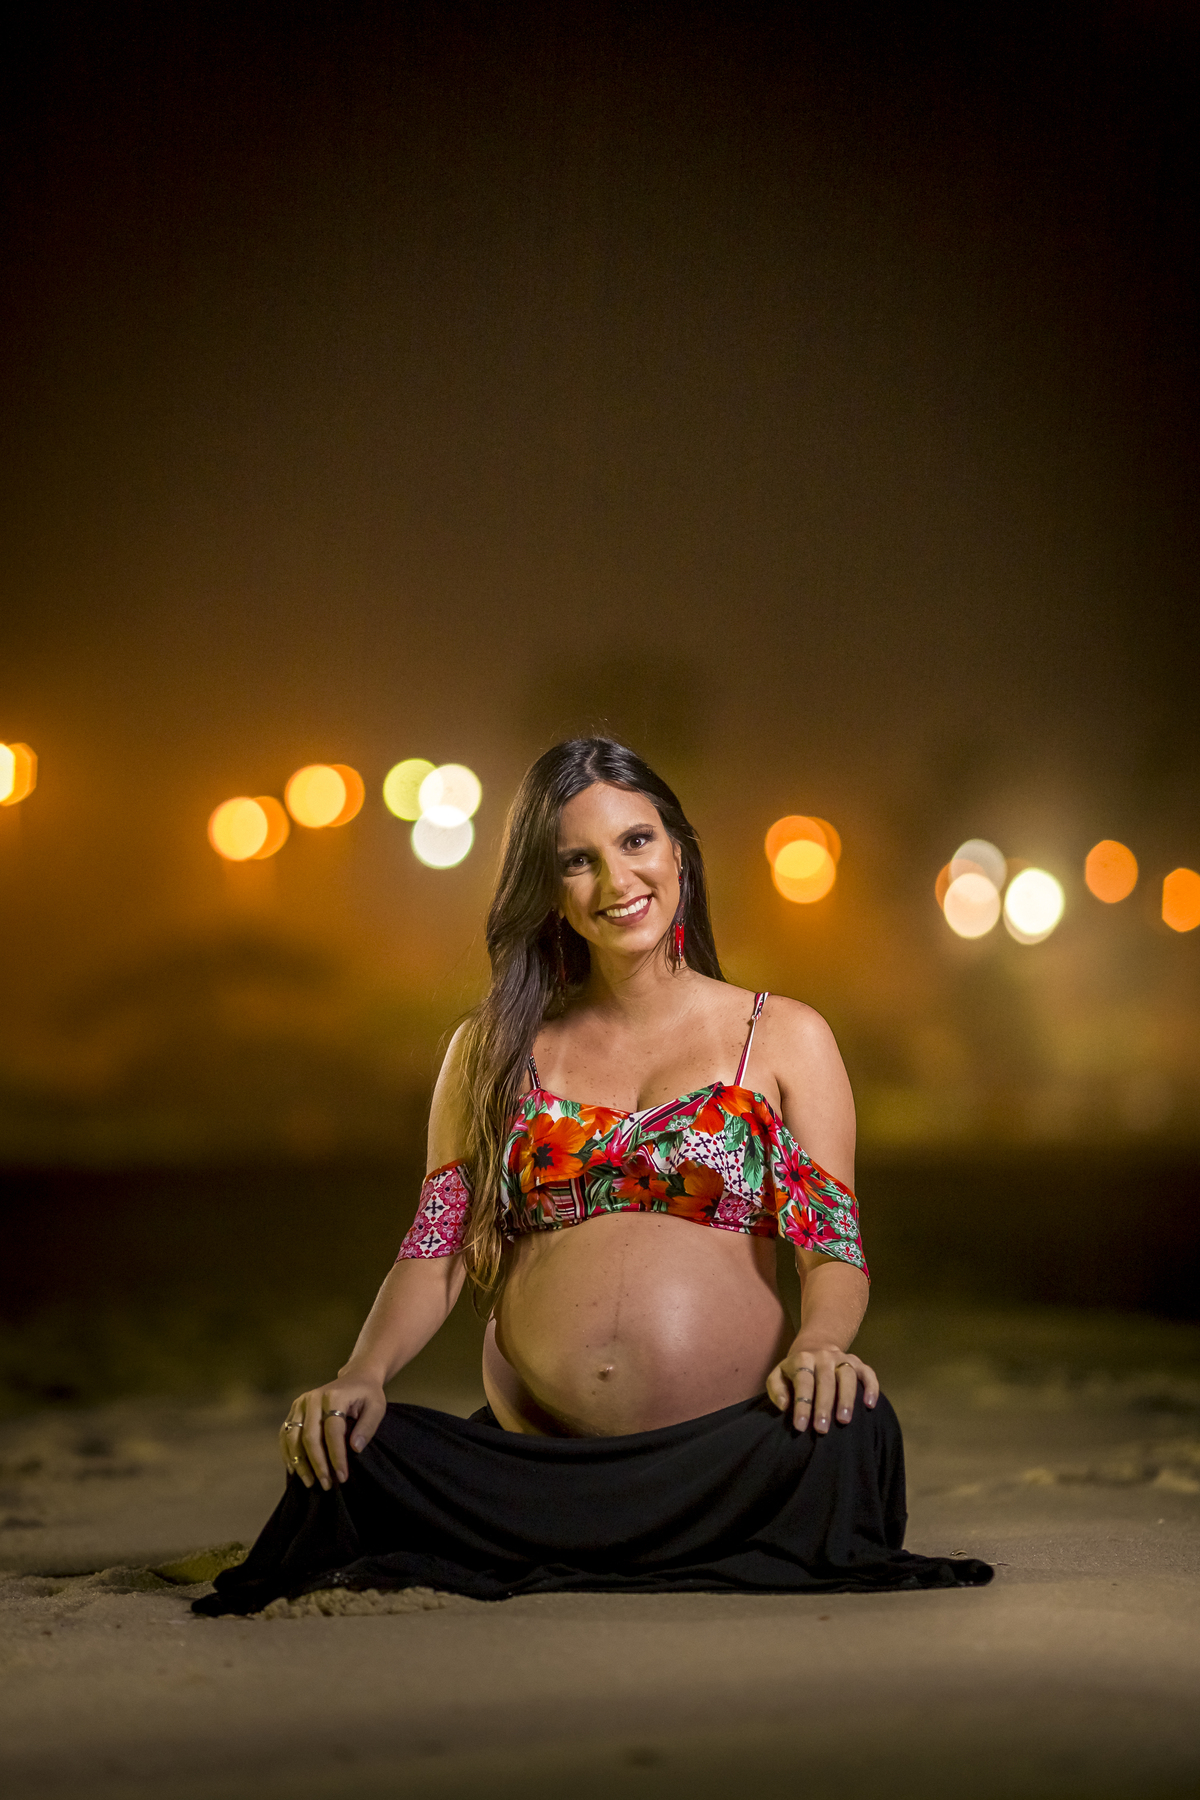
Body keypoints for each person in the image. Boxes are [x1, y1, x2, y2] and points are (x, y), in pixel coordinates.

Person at [196, 739, 991, 1614]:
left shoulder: (786, 1035)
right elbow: (434, 1249)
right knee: (348, 1448)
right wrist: (362, 1373)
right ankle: (613, 1540)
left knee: (855, 1428)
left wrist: (818, 1349)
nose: (616, 882)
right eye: (578, 861)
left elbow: (831, 1249)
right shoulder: (492, 1054)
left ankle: (647, 1535)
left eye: (636, 843)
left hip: (716, 1465)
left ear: (678, 854)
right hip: (533, 1469)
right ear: (551, 893)